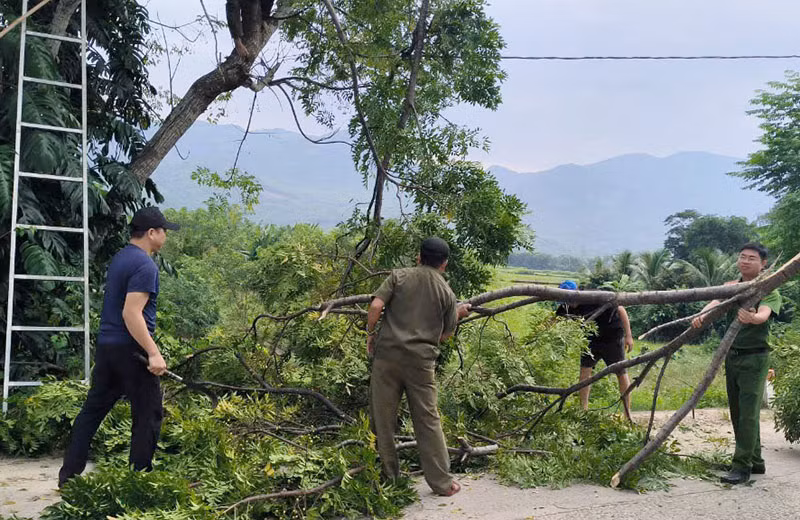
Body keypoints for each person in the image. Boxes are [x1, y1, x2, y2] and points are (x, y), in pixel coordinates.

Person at [58, 207, 180, 487]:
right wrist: (153, 352)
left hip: (108, 348)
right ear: (152, 233)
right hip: (132, 352)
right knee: (148, 415)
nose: (165, 236)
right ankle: (138, 481)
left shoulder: (121, 258)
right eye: (164, 231)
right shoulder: (145, 265)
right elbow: (131, 313)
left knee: (92, 412)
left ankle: (68, 478)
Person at [366, 237, 471, 497]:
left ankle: (388, 477)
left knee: (383, 419)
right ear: (444, 264)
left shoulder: (398, 276)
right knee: (427, 419)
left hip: (387, 357)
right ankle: (442, 483)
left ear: (418, 257)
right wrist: (458, 313)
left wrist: (370, 333)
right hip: (420, 364)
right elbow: (444, 335)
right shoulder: (447, 293)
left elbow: (376, 305)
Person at [692, 242, 781, 485]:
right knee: (739, 412)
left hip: (755, 358)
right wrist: (702, 315)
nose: (745, 261)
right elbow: (715, 301)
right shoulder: (733, 287)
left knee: (749, 415)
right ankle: (756, 461)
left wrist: (752, 318)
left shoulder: (769, 289)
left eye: (752, 258)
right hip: (733, 357)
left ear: (763, 264)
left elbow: (764, 314)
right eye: (742, 257)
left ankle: (741, 467)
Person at [555, 280, 635, 421]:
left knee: (621, 373)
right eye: (566, 300)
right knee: (585, 372)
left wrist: (628, 336)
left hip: (612, 337)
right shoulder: (565, 307)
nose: (570, 303)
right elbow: (554, 320)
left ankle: (628, 413)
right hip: (591, 340)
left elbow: (620, 308)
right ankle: (583, 411)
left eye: (571, 299)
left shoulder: (593, 296)